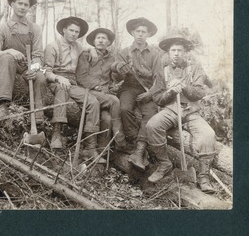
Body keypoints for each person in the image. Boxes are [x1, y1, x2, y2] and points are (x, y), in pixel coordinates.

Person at [146, 32, 216, 194]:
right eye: (173, 50)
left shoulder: (195, 68)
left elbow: (199, 93)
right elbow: (157, 98)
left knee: (208, 135)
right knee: (152, 126)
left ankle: (203, 176)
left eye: (180, 50)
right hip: (171, 110)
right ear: (168, 53)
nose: (176, 54)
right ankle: (164, 163)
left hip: (191, 111)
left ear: (185, 52)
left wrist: (183, 86)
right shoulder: (162, 71)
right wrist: (171, 92)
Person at [44, 17, 105, 163]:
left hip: (73, 82)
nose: (74, 34)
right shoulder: (53, 46)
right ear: (64, 30)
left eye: (77, 32)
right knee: (61, 90)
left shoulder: (78, 46)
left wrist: (92, 50)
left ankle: (90, 147)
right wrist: (58, 78)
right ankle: (57, 133)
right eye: (71, 30)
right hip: (56, 80)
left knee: (93, 101)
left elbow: (87, 47)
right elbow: (46, 71)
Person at [111, 17, 163, 170]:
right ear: (133, 33)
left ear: (148, 34)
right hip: (128, 87)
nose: (140, 34)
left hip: (148, 89)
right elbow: (115, 76)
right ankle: (134, 143)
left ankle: (139, 150)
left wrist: (150, 94)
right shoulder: (124, 52)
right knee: (124, 108)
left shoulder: (155, 54)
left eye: (143, 32)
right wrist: (118, 67)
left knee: (150, 114)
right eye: (137, 31)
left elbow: (159, 79)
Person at [0, 0, 46, 122]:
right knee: (7, 58)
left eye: (26, 5)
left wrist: (34, 68)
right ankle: (3, 106)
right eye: (20, 3)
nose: (23, 7)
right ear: (12, 5)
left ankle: (37, 115)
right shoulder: (2, 28)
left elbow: (38, 54)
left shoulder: (35, 29)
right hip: (9, 66)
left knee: (41, 78)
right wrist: (9, 51)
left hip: (28, 67)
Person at [76, 28, 130, 152]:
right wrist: (95, 86)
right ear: (94, 41)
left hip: (104, 94)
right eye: (98, 38)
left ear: (109, 42)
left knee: (107, 118)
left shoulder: (112, 58)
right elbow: (81, 77)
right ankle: (120, 140)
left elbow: (115, 78)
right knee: (114, 101)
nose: (101, 40)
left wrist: (120, 70)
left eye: (104, 38)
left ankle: (101, 152)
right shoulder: (86, 55)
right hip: (89, 91)